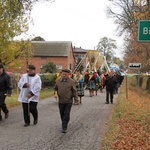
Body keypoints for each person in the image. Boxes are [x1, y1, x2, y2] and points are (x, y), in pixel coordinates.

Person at [54, 69, 78, 133]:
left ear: (69, 75)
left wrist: (76, 100)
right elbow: (55, 89)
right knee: (62, 113)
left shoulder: (71, 81)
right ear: (61, 74)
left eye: (66, 74)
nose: (64, 75)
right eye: (63, 74)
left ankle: (64, 126)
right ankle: (64, 122)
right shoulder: (58, 81)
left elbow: (74, 91)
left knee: (66, 114)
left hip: (68, 101)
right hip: (61, 101)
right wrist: (55, 94)